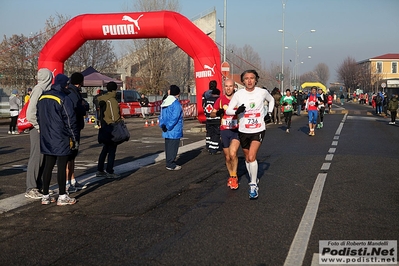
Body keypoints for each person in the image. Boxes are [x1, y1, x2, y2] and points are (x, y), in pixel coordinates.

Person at [226, 70, 274, 199]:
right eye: (246, 78)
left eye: (252, 78)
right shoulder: (239, 94)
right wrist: (237, 110)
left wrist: (269, 113)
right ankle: (253, 177)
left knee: (252, 156)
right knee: (247, 158)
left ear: (256, 80)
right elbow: (229, 110)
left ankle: (253, 184)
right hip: (243, 130)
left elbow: (272, 100)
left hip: (258, 129)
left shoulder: (262, 92)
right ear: (243, 81)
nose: (249, 80)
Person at [37, 73, 78, 206]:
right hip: (61, 136)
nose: (67, 86)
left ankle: (45, 195)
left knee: (48, 166)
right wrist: (74, 137)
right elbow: (70, 120)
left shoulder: (42, 96)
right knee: (61, 165)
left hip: (46, 136)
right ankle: (62, 195)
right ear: (63, 84)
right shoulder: (63, 98)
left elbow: (38, 116)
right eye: (67, 83)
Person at [24, 68, 53, 200]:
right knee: (36, 157)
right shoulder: (39, 89)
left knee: (43, 157)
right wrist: (37, 126)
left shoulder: (43, 88)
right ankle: (31, 188)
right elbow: (31, 112)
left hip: (42, 127)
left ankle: (38, 186)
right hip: (38, 128)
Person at [210, 79, 240, 189]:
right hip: (224, 130)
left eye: (230, 86)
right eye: (226, 86)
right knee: (227, 157)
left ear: (234, 87)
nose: (228, 88)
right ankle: (231, 175)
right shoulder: (220, 100)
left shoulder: (238, 99)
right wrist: (218, 112)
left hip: (236, 130)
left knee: (233, 153)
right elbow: (212, 113)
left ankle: (234, 177)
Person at [66, 72, 90, 193]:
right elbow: (79, 107)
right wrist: (84, 107)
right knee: (69, 155)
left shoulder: (72, 91)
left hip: (73, 127)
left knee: (73, 155)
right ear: (80, 82)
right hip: (72, 127)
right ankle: (67, 182)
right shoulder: (73, 93)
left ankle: (73, 180)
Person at [96, 82, 122, 178]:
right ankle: (110, 171)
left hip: (103, 125)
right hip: (111, 126)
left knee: (105, 148)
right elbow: (115, 116)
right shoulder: (112, 100)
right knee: (112, 149)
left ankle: (100, 169)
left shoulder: (102, 98)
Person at [159, 85, 184, 170]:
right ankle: (171, 164)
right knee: (173, 147)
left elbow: (161, 115)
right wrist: (169, 126)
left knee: (168, 147)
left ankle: (168, 162)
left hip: (166, 129)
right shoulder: (176, 103)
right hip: (174, 129)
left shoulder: (165, 102)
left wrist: (162, 125)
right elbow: (175, 117)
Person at [202, 80, 221, 154]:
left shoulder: (206, 97)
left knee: (209, 133)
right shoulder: (218, 100)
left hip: (208, 119)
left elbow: (203, 106)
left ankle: (208, 145)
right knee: (216, 134)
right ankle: (213, 149)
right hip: (216, 120)